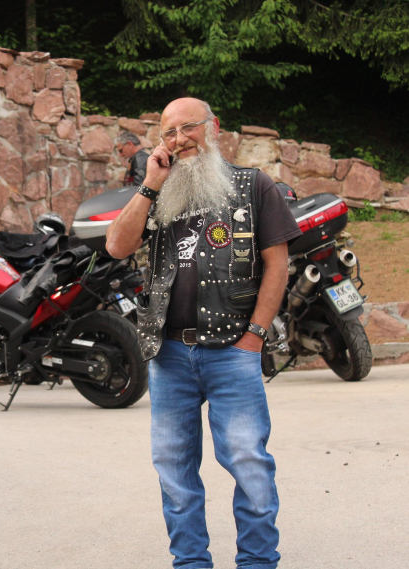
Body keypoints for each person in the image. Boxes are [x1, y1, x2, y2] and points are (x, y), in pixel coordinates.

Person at [106, 97, 301, 569]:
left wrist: (255, 336)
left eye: (188, 127)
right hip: (169, 353)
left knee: (248, 462)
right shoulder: (158, 189)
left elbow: (277, 266)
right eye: (169, 133)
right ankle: (191, 562)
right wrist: (150, 184)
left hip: (233, 350)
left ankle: (257, 561)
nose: (179, 139)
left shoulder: (253, 185)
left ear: (213, 127)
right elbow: (116, 246)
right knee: (174, 468)